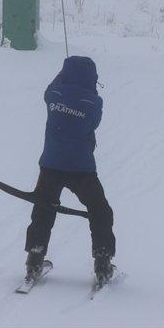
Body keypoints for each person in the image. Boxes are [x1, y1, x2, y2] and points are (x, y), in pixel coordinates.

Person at [24, 55, 116, 285]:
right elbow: (94, 123)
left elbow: (48, 91)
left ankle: (35, 257)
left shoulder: (53, 95)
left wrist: (60, 79)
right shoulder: (94, 102)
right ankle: (102, 260)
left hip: (51, 165)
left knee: (44, 210)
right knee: (99, 210)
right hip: (81, 168)